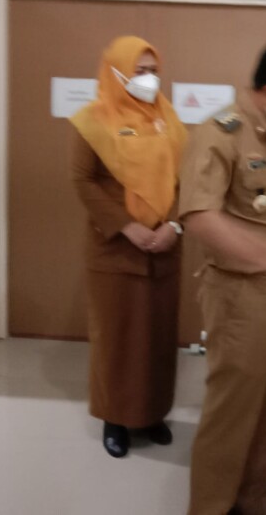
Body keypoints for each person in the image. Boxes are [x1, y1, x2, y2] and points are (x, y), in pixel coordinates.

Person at [179, 35, 266, 515]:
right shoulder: (219, 134)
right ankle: (211, 507)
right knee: (233, 414)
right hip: (240, 298)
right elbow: (200, 217)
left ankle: (258, 501)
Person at [70, 35, 187, 458]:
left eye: (154, 70)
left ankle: (152, 414)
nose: (149, 78)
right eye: (140, 71)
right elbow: (83, 181)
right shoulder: (92, 120)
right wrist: (125, 226)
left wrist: (174, 224)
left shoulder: (168, 119)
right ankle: (115, 418)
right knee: (117, 340)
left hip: (165, 248)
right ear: (117, 72)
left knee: (158, 338)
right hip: (116, 251)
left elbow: (184, 180)